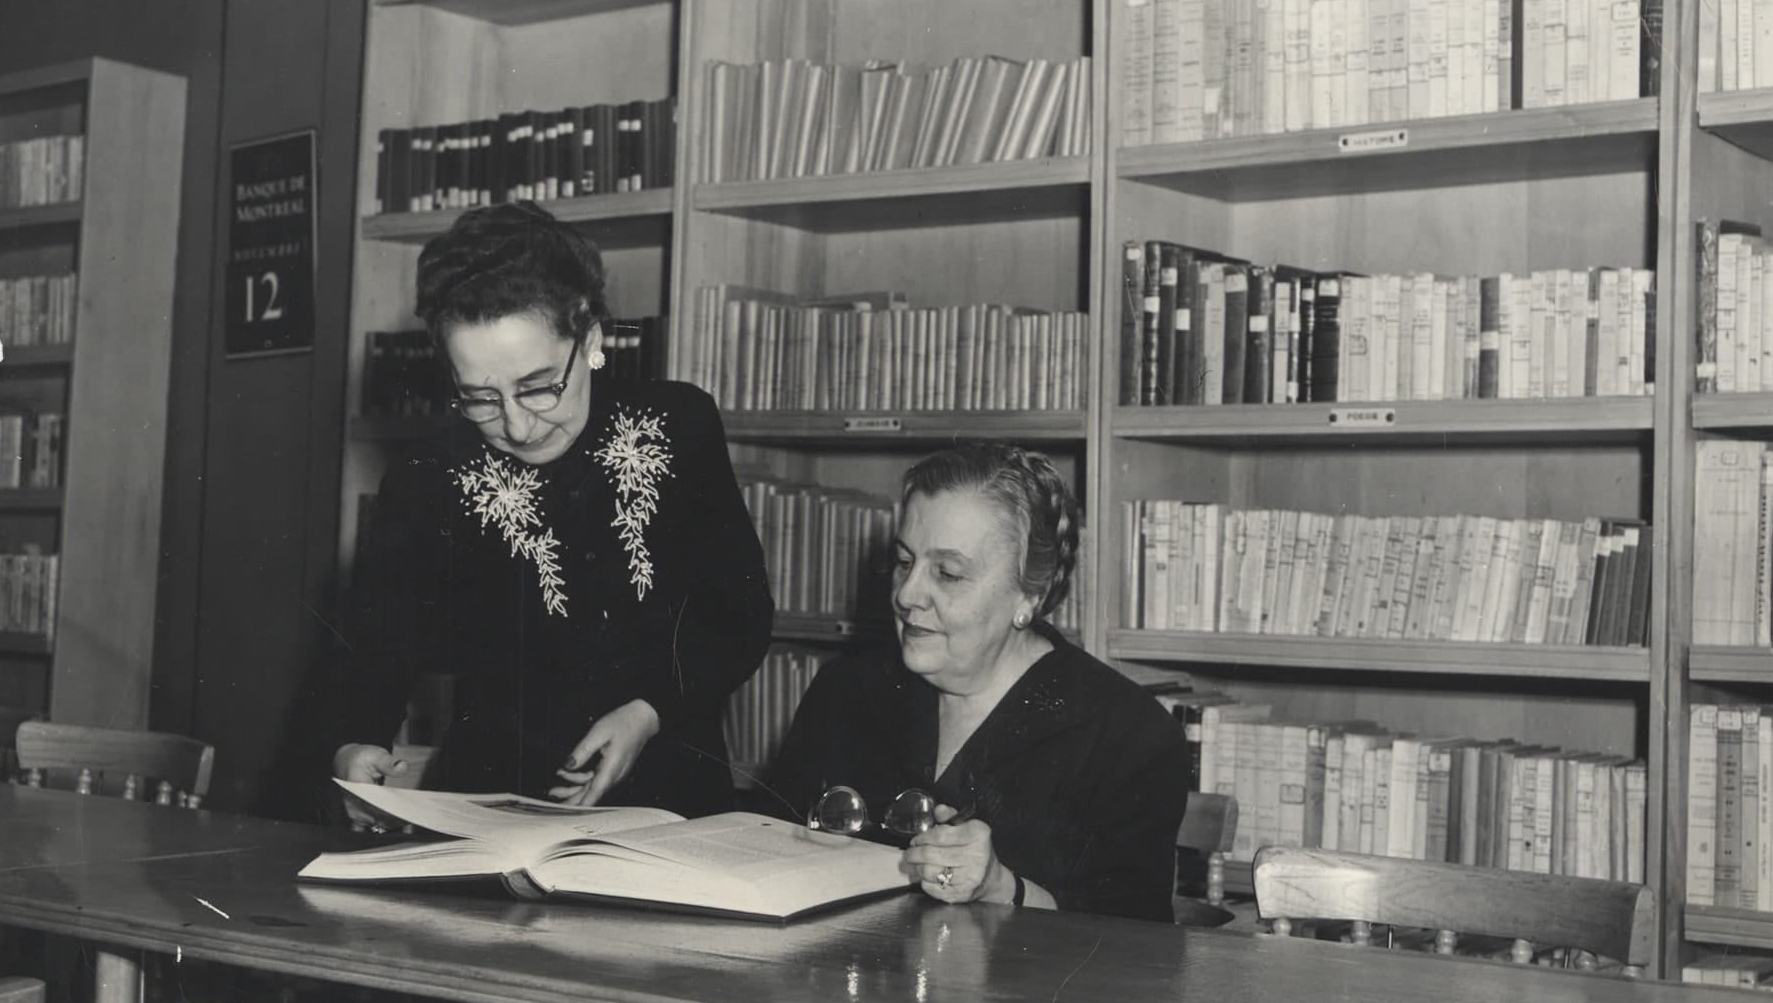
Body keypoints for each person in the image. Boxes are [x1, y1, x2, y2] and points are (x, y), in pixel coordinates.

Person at [332, 201, 773, 818]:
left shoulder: (678, 424)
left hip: (668, 798)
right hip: (489, 805)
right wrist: (357, 743)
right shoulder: (427, 474)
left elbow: (739, 617)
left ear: (589, 340)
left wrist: (648, 713)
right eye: (480, 397)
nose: (516, 425)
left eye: (538, 386)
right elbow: (380, 642)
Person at [767, 443, 1187, 921]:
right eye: (904, 562)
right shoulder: (843, 690)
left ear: (1030, 593)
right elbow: (766, 861)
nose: (907, 594)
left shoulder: (1128, 736)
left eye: (947, 573)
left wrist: (1003, 889)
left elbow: (1134, 948)